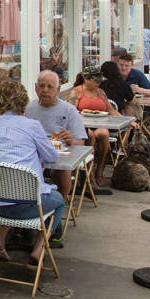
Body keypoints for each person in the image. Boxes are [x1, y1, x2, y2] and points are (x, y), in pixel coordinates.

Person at [0, 79, 65, 264]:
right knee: (59, 200)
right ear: (24, 101)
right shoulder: (32, 126)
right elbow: (51, 157)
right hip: (27, 206)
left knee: (8, 190)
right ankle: (39, 249)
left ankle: (0, 242)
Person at [25, 70, 87, 205]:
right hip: (34, 154)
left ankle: (60, 204)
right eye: (41, 86)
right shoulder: (29, 108)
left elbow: (81, 143)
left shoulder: (69, 110)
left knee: (61, 171)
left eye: (50, 87)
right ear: (36, 88)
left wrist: (71, 140)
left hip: (60, 153)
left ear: (58, 89)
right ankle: (31, 206)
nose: (45, 90)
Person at [67, 65, 113, 195]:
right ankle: (90, 177)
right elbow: (71, 112)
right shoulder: (77, 92)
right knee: (90, 137)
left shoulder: (101, 93)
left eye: (99, 81)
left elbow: (111, 110)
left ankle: (100, 171)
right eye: (96, 80)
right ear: (87, 79)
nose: (98, 83)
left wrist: (130, 121)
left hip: (99, 124)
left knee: (104, 134)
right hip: (82, 126)